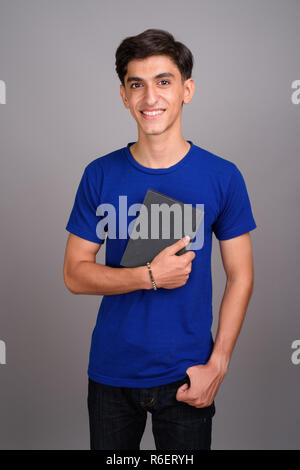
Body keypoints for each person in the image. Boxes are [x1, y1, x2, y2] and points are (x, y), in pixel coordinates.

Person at [63, 28, 257, 450]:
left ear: (187, 90)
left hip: (188, 373)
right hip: (112, 373)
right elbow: (75, 275)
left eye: (163, 82)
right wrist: (148, 275)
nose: (150, 98)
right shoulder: (100, 174)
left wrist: (218, 364)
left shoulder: (222, 176)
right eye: (137, 84)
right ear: (124, 95)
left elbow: (241, 276)